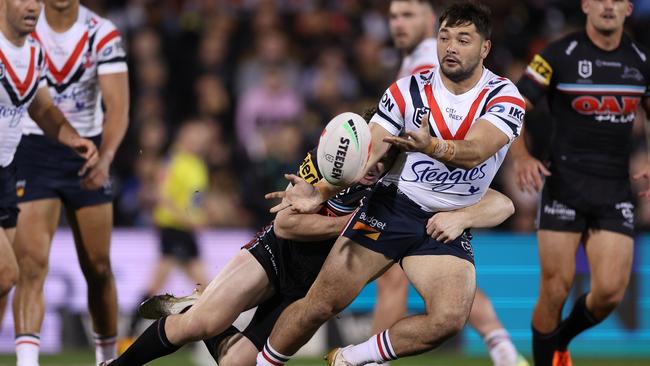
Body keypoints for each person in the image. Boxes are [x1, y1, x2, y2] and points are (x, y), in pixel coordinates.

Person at [99, 109, 514, 366]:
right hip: (276, 256)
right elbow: (286, 226)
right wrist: (356, 225)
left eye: (386, 156)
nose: (375, 164)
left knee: (239, 362)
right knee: (203, 323)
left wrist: (464, 215)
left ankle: (197, 305)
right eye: (371, 152)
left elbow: (502, 204)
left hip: (310, 291)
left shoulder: (412, 184)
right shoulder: (328, 164)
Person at [255, 3, 526, 366]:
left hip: (444, 219)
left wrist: (431, 145)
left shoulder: (504, 96)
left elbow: (476, 151)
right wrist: (321, 190)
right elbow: (370, 150)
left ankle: (352, 358)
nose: (451, 47)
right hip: (393, 205)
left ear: (485, 48)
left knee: (448, 320)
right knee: (321, 304)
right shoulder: (406, 90)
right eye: (444, 37)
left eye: (463, 39)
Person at [374, 2, 527, 365]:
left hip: (425, 187)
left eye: (408, 16)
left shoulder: (432, 61)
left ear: (430, 22)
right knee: (450, 283)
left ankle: (368, 359)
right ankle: (503, 349)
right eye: (394, 16)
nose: (398, 24)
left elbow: (451, 124)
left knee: (393, 279)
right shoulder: (418, 59)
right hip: (437, 182)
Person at [511, 0, 650, 365]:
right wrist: (523, 156)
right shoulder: (558, 55)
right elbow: (511, 107)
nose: (608, 5)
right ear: (586, 5)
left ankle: (559, 341)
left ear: (628, 9)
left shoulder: (641, 62)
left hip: (615, 189)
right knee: (555, 290)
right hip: (563, 185)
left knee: (609, 293)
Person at [11, 0, 128, 364]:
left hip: (86, 151)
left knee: (98, 266)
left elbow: (118, 107)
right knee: (30, 264)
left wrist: (105, 159)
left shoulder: (100, 34)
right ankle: (27, 361)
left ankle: (106, 356)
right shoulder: (23, 25)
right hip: (33, 148)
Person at [0, 0, 98, 338]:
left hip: (6, 171)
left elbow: (42, 107)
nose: (33, 7)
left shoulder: (33, 53)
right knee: (6, 274)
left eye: (37, 0)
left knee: (2, 285)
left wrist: (73, 138)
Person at [119, 118, 213, 351]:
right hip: (174, 229)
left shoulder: (196, 163)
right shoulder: (173, 161)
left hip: (186, 232)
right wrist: (189, 219)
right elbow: (161, 197)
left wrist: (200, 216)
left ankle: (131, 334)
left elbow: (195, 199)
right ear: (183, 137)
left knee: (204, 286)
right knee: (199, 286)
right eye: (194, 136)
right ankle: (129, 336)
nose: (199, 141)